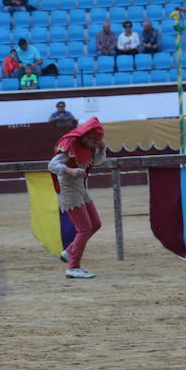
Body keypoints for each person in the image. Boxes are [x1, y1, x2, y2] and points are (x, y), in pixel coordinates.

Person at [47, 117, 107, 279]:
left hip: (80, 187)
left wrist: (101, 149)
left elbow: (99, 162)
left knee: (95, 224)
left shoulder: (89, 146)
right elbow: (52, 165)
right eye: (94, 142)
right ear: (87, 138)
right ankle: (73, 267)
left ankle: (69, 252)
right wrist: (70, 171)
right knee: (85, 228)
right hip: (68, 188)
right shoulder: (71, 143)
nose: (95, 145)